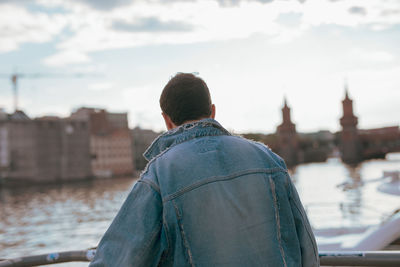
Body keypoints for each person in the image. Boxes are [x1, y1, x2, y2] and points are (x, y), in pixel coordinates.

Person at [89, 73, 319, 267]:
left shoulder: (159, 176)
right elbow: (308, 249)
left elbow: (115, 259)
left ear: (167, 121)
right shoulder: (270, 160)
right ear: (212, 111)